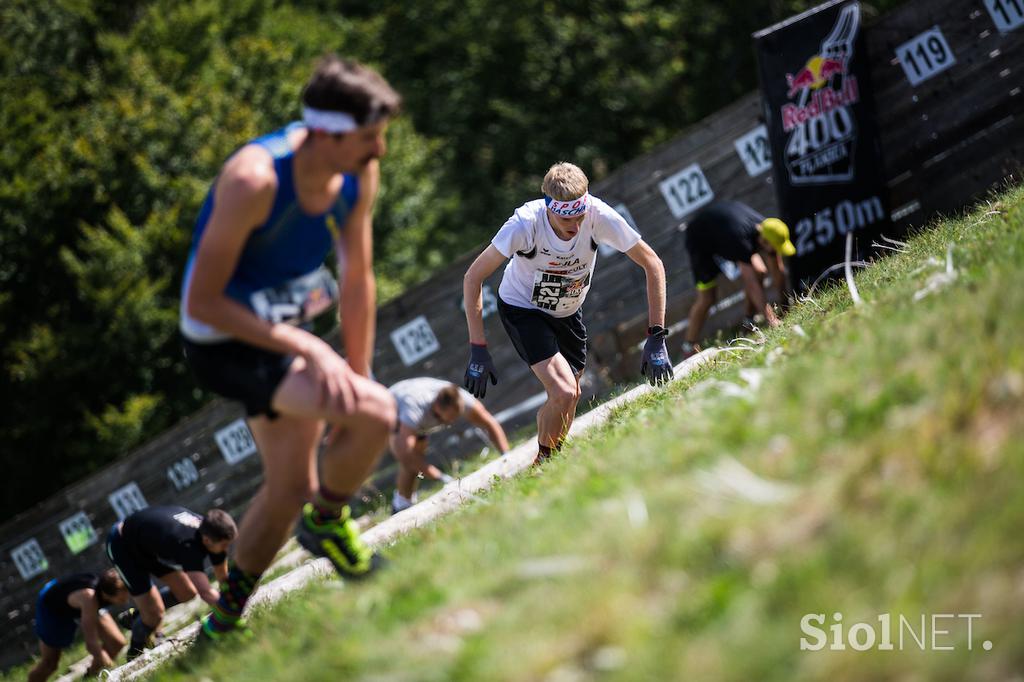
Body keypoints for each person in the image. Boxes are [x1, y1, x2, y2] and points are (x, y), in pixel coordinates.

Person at [179, 55, 401, 641]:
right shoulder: (254, 180)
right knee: (379, 413)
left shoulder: (357, 174)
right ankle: (328, 524)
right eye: (368, 138)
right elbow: (201, 304)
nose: (379, 151)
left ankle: (222, 621)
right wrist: (313, 351)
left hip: (284, 336)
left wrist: (357, 373)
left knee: (287, 488)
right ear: (326, 134)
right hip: (224, 342)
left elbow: (357, 281)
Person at [463, 162, 673, 466]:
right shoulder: (524, 224)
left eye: (579, 215)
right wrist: (478, 347)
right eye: (566, 218)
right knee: (562, 391)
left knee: (570, 395)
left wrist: (657, 335)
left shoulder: (598, 215)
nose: (575, 225)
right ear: (549, 208)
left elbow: (652, 264)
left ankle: (546, 461)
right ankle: (546, 463)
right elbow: (473, 277)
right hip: (524, 308)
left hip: (568, 311)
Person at [105, 506, 236, 658]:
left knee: (187, 592)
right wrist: (232, 614)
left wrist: (232, 599)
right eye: (225, 545)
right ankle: (135, 653)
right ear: (207, 540)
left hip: (147, 540)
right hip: (122, 544)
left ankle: (136, 616)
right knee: (154, 615)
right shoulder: (189, 546)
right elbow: (206, 592)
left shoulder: (212, 532)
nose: (227, 548)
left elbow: (223, 579)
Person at [681, 200, 795, 357]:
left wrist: (785, 306)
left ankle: (748, 322)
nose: (775, 252)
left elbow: (777, 268)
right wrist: (772, 320)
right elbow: (750, 282)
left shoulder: (767, 228)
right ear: (763, 241)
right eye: (774, 249)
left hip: (725, 230)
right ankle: (688, 346)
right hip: (700, 240)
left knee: (760, 271)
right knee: (708, 298)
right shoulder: (741, 240)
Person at [389, 377, 510, 513]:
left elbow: (489, 423)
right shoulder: (414, 408)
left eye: (456, 416)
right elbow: (404, 453)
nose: (452, 422)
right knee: (412, 459)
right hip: (390, 410)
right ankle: (401, 506)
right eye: (449, 418)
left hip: (418, 415)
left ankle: (403, 502)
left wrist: (506, 456)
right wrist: (439, 476)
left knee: (417, 456)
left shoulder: (462, 399)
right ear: (437, 407)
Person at [27, 568, 130, 681]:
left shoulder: (104, 588)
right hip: (51, 606)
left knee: (116, 642)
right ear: (109, 594)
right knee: (50, 663)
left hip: (75, 599)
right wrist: (113, 670)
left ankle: (89, 677)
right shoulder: (89, 599)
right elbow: (91, 644)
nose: (127, 599)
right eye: (122, 597)